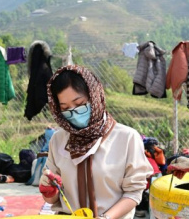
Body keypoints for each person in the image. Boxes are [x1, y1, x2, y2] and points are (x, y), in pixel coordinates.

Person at [39, 65, 153, 219]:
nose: (73, 113)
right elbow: (52, 197)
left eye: (79, 105)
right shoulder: (59, 139)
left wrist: (106, 217)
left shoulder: (126, 138)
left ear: (95, 97)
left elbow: (133, 193)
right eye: (65, 108)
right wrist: (49, 191)